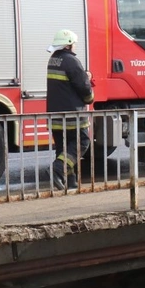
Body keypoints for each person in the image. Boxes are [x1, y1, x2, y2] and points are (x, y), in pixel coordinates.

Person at [46, 29, 94, 190]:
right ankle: (58, 168)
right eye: (73, 43)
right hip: (73, 115)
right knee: (82, 142)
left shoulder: (53, 60)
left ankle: (70, 182)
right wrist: (90, 97)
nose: (75, 46)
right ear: (68, 45)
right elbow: (84, 87)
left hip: (56, 116)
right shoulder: (72, 61)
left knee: (64, 148)